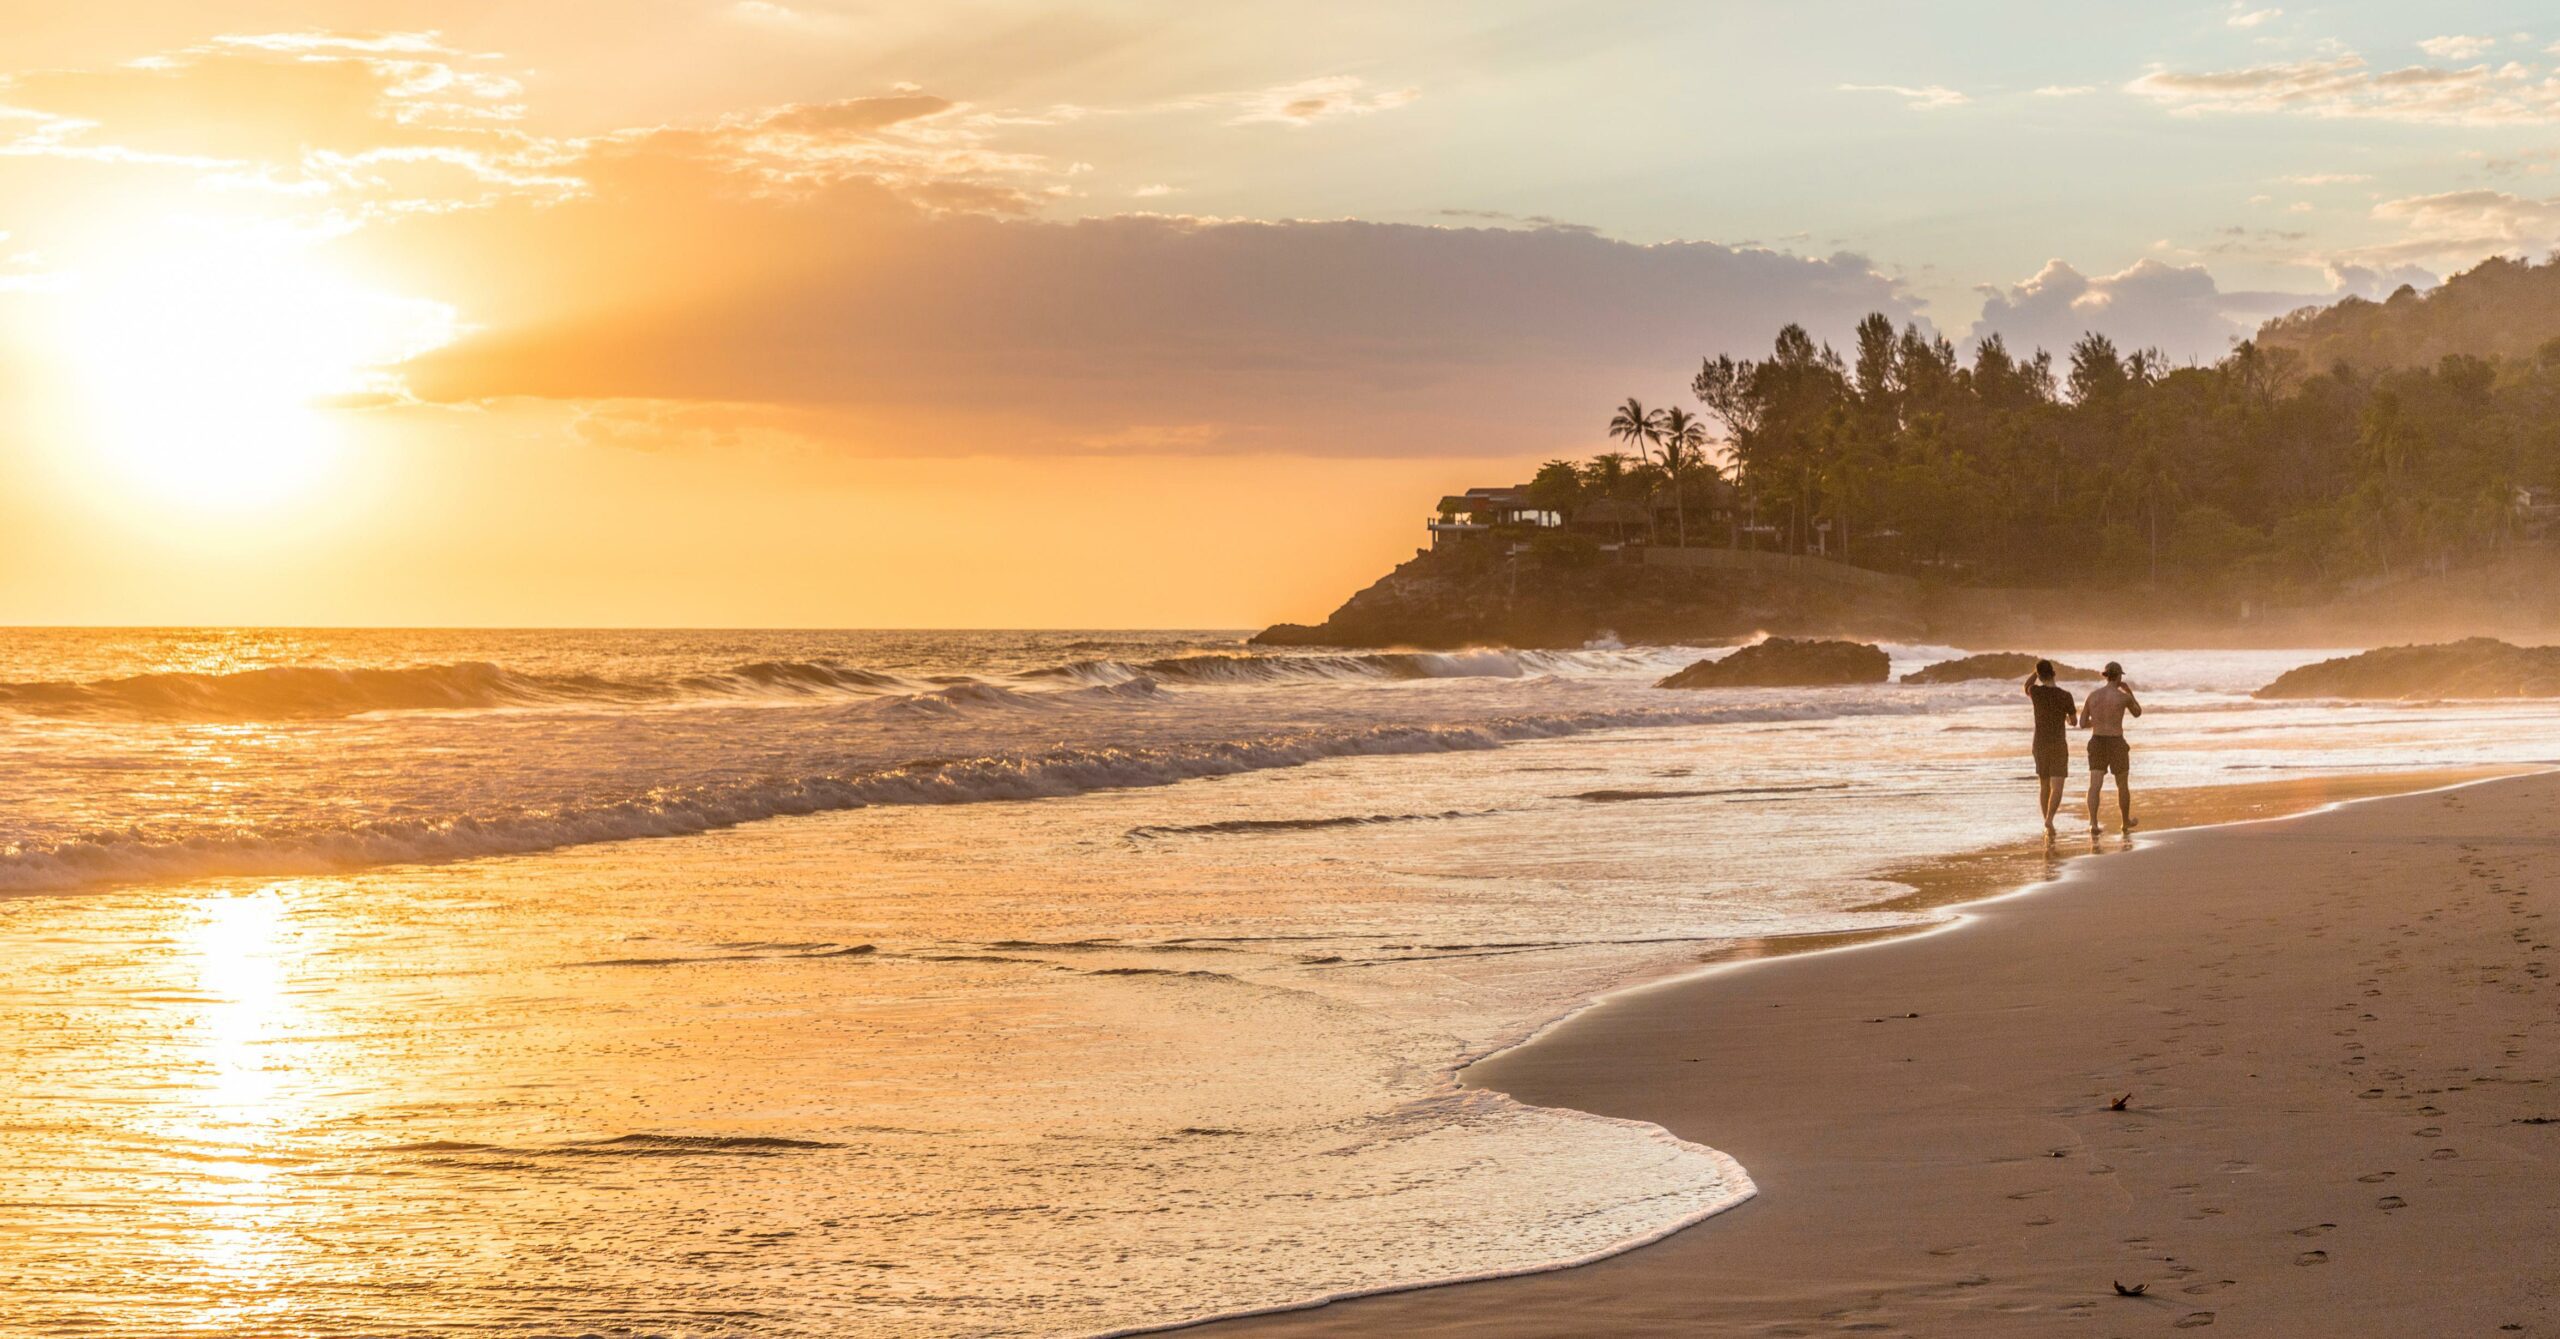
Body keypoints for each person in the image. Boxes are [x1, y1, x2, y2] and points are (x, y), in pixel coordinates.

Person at [2082, 661, 2143, 835]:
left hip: (2097, 741)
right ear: (2118, 676)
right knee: (2122, 785)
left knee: (2095, 785)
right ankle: (2125, 822)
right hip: (2116, 742)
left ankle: (2093, 823)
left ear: (2105, 676)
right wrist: (2129, 692)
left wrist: (2098, 722)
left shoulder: (2092, 695)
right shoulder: (2123, 697)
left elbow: (2082, 723)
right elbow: (2138, 713)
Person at [2023, 660, 2079, 835]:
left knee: (2044, 784)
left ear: (2040, 676)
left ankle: (2046, 821)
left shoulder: (2036, 692)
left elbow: (2027, 685)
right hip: (2058, 743)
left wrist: (2035, 672)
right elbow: (2073, 721)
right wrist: (2067, 719)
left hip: (2039, 743)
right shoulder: (2065, 695)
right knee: (2058, 786)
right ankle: (2050, 819)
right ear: (2054, 674)